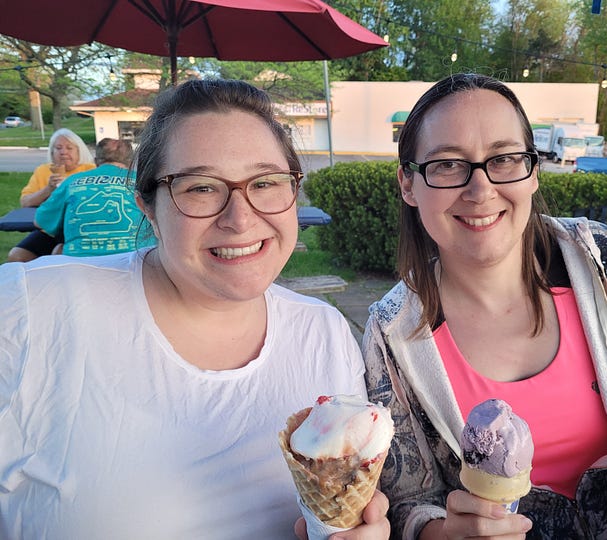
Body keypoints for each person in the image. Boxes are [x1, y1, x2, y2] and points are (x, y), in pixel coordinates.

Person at [0, 79, 389, 539]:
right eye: (201, 188)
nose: (240, 219)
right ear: (147, 204)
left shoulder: (324, 332)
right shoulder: (33, 311)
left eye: (264, 182)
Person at [362, 73, 607, 540]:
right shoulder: (391, 334)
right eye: (448, 164)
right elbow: (408, 500)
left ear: (532, 171)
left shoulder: (602, 261)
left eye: (505, 158)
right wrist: (443, 531)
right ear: (409, 184)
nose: (480, 189)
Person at [34, 137, 152, 257]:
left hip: (80, 263)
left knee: (58, 250)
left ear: (96, 161)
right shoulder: (143, 181)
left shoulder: (72, 181)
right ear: (131, 162)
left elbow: (40, 221)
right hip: (137, 260)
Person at [7, 128, 95, 262]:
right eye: (58, 148)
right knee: (17, 255)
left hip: (79, 229)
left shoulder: (90, 170)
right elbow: (25, 202)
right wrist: (48, 189)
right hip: (48, 230)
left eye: (69, 148)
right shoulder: (43, 171)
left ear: (79, 151)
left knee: (58, 255)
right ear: (52, 152)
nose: (63, 152)